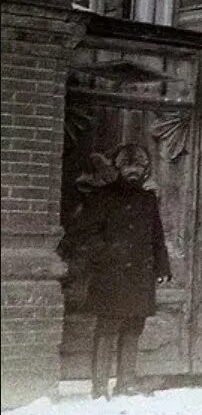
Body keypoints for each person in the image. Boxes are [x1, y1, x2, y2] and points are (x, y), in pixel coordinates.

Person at [63, 143, 171, 399]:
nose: (133, 171)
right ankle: (99, 388)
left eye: (139, 167)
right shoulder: (102, 197)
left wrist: (162, 266)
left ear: (145, 170)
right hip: (111, 276)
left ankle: (126, 383)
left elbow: (157, 235)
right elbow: (84, 234)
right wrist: (107, 255)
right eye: (127, 166)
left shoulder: (147, 199)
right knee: (107, 329)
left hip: (140, 276)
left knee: (134, 328)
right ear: (118, 168)